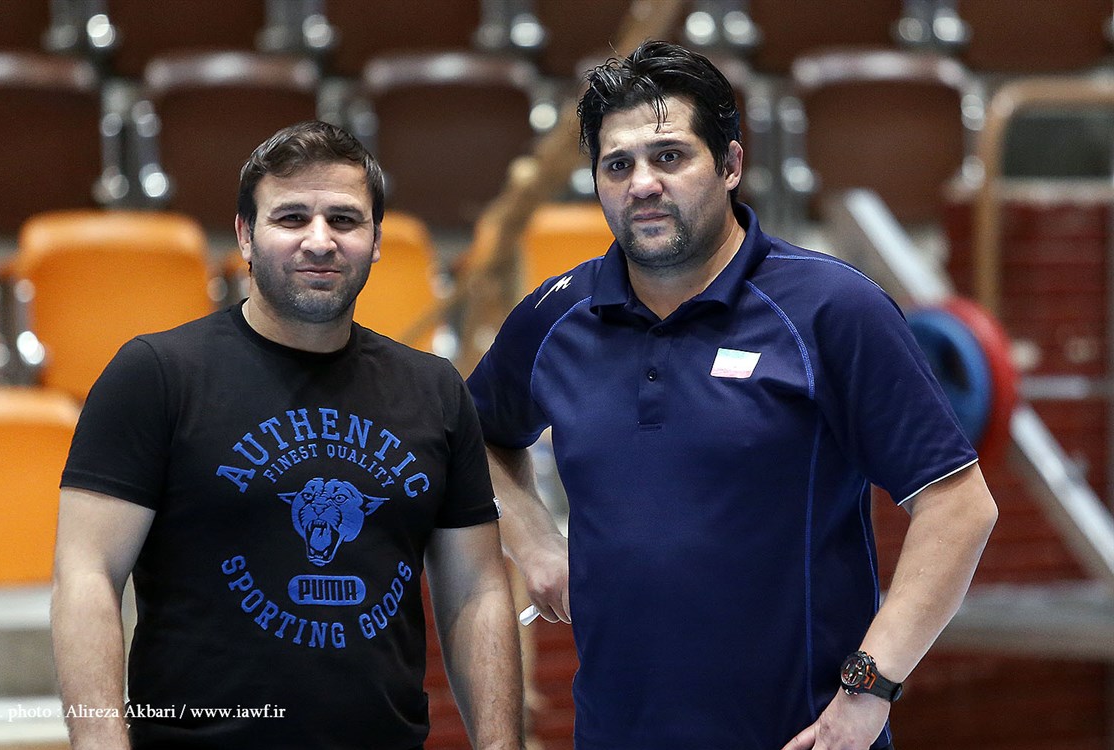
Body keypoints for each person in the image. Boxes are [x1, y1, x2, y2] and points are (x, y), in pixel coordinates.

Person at [466, 40, 998, 750]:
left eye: (670, 156)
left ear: (731, 164)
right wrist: (533, 541)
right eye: (618, 165)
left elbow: (958, 507)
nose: (643, 184)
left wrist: (869, 689)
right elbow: (473, 436)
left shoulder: (831, 309)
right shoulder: (556, 316)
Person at [51, 120, 524, 750]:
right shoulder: (156, 375)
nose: (320, 241)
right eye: (292, 218)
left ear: (376, 241)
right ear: (245, 235)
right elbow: (87, 575)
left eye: (345, 220)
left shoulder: (435, 390)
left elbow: (478, 590)